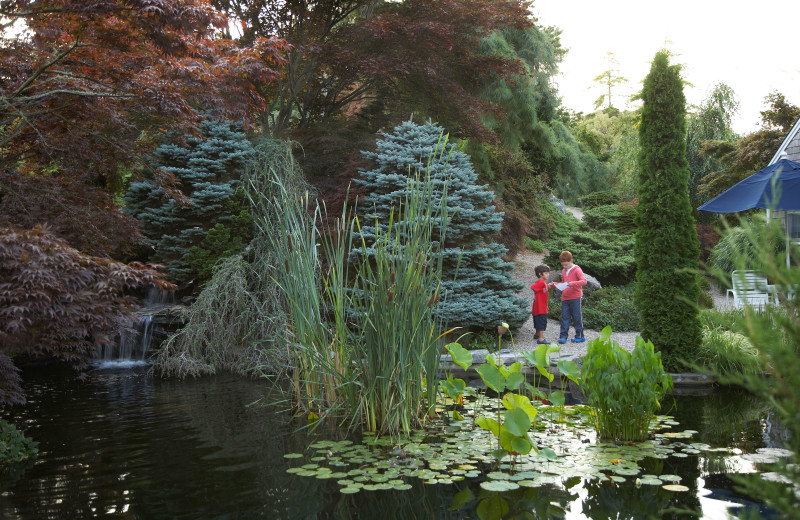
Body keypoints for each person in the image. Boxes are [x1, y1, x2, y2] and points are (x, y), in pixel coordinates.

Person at [549, 250, 587, 344]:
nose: (564, 267)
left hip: (575, 298)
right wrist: (554, 285)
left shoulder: (577, 269)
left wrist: (572, 284)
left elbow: (584, 281)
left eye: (566, 264)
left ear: (571, 261)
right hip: (565, 298)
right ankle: (563, 336)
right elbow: (563, 283)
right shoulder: (564, 270)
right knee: (564, 317)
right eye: (563, 265)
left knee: (577, 317)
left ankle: (580, 335)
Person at [530, 264, 551, 344]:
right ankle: (541, 338)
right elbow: (533, 287)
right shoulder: (541, 282)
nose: (548, 274)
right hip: (541, 306)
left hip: (538, 306)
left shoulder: (543, 283)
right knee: (542, 322)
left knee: (537, 320)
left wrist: (547, 287)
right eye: (545, 273)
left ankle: (537, 334)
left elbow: (541, 290)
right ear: (540, 274)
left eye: (548, 273)